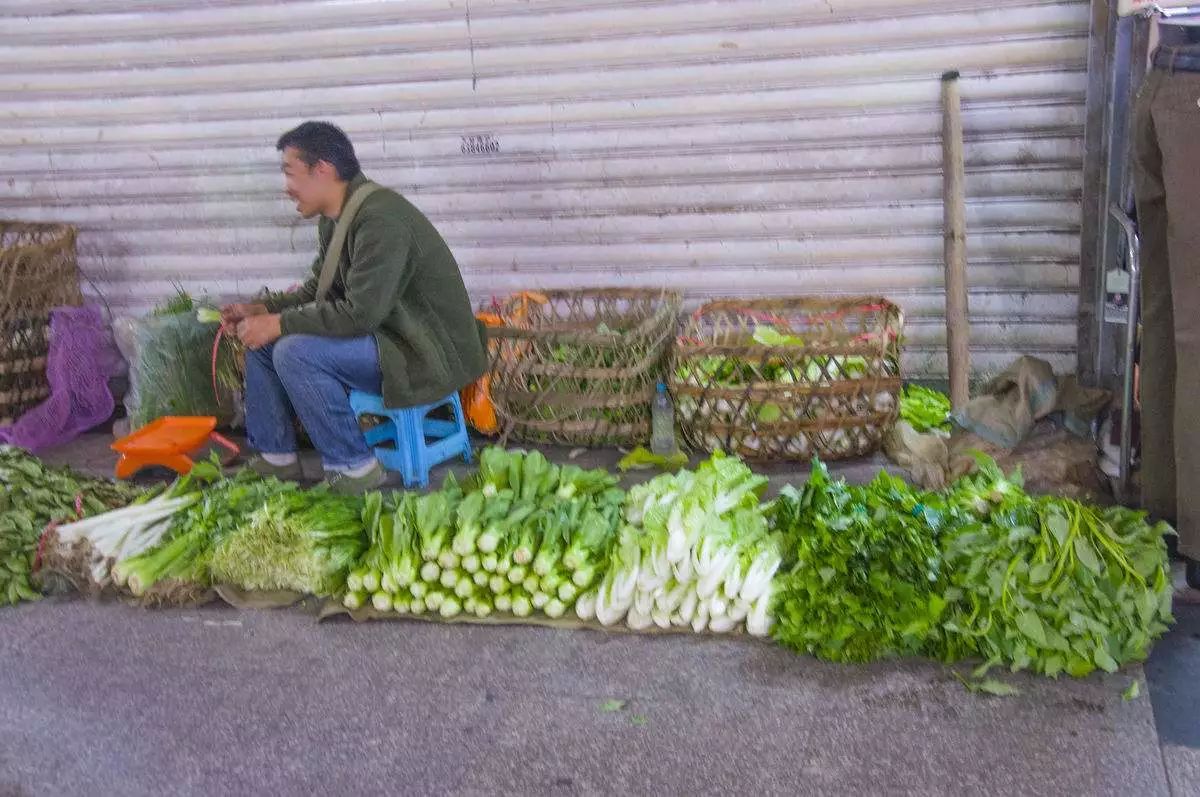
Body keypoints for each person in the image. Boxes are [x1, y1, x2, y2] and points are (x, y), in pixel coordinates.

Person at [222, 121, 488, 494]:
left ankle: (354, 467)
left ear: (323, 169)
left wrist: (279, 323)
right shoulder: (338, 219)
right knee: (263, 341)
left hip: (422, 350)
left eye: (290, 173)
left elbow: (361, 314)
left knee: (294, 351)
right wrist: (262, 310)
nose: (287, 188)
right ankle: (277, 457)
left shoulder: (381, 219)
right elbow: (321, 291)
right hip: (387, 336)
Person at [1132, 14, 1200, 587]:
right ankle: (1197, 541)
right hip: (1191, 94)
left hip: (1163, 78)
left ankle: (1165, 510)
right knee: (1190, 328)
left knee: (1167, 319)